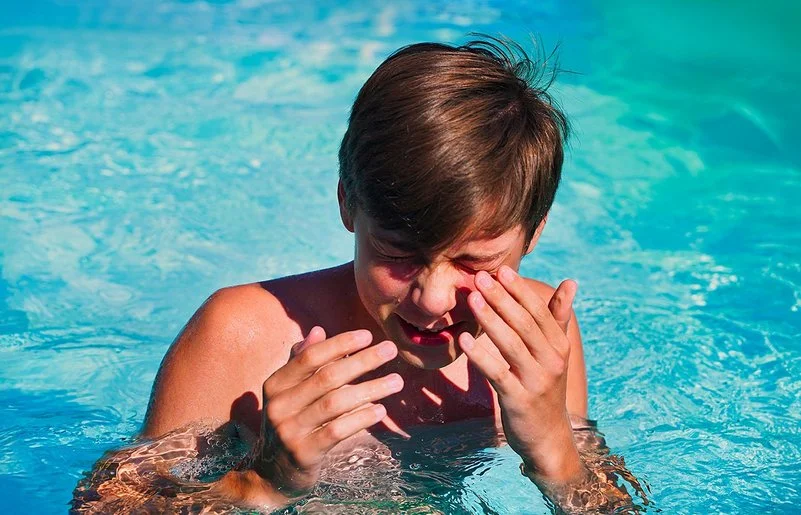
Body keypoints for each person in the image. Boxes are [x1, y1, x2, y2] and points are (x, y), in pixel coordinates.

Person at [73, 36, 646, 513]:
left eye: (475, 263)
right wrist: (261, 484)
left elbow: (606, 502)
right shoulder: (242, 337)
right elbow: (104, 505)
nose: (432, 297)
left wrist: (557, 456)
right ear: (348, 204)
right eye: (399, 253)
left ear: (534, 233)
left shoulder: (541, 341)